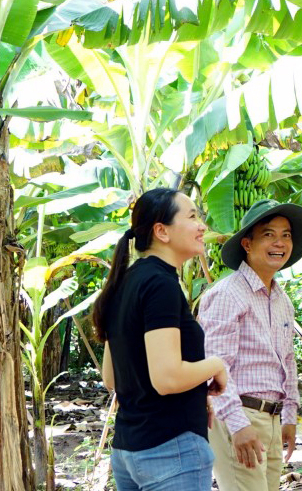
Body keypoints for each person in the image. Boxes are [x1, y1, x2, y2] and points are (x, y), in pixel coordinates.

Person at [92, 188, 229, 491]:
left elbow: (111, 378)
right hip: (171, 450)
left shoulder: (124, 282)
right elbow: (167, 378)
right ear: (161, 231)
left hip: (129, 450)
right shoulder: (160, 284)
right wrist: (216, 365)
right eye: (193, 216)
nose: (202, 226)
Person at [198, 199, 302, 491]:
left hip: (273, 417)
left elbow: (287, 363)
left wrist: (289, 416)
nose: (279, 242)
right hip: (238, 413)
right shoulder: (228, 294)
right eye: (269, 234)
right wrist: (238, 425)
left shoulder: (282, 300)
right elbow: (214, 368)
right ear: (247, 245)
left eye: (286, 235)